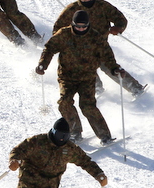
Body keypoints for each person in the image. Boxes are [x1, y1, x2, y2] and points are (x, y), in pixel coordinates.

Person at [35, 10, 126, 143]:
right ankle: (75, 132)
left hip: (87, 78)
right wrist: (43, 64)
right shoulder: (64, 34)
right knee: (64, 102)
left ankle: (105, 136)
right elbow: (49, 48)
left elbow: (106, 54)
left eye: (84, 26)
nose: (81, 29)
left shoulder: (95, 37)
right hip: (67, 77)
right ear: (72, 24)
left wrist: (115, 68)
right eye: (78, 26)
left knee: (87, 106)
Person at [52, 0, 147, 98]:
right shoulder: (72, 10)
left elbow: (121, 19)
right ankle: (97, 90)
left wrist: (118, 28)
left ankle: (136, 89)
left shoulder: (103, 6)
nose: (87, 0)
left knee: (109, 66)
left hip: (100, 45)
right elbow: (57, 29)